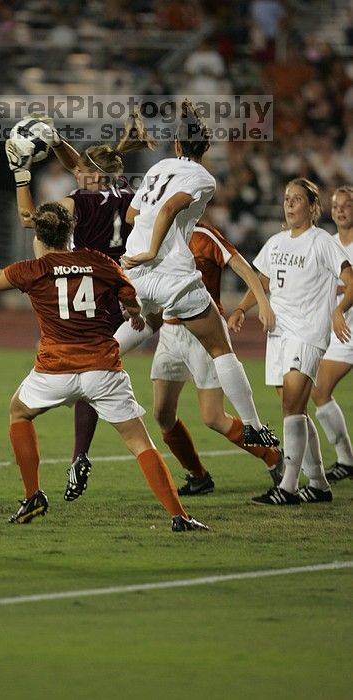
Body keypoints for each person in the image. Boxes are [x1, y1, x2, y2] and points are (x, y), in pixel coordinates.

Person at [0, 198, 208, 533]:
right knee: (140, 443)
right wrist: (132, 314)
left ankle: (33, 496)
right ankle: (179, 516)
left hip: (54, 371)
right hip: (102, 370)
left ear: (39, 238)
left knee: (19, 412)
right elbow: (129, 294)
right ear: (72, 231)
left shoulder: (31, 270)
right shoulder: (99, 261)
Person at [6, 114, 162, 502]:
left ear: (90, 175)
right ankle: (80, 456)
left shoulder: (77, 202)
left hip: (82, 288)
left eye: (80, 170)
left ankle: (76, 459)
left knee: (79, 372)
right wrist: (56, 140)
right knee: (97, 377)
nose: (74, 173)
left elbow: (30, 221)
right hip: (117, 288)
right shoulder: (126, 193)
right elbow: (87, 166)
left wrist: (21, 174)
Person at [121, 99, 279, 451]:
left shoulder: (158, 167)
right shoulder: (204, 178)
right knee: (221, 346)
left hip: (133, 271)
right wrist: (154, 248)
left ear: (176, 145)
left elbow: (133, 215)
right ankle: (252, 425)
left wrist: (144, 248)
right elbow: (171, 206)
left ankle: (91, 363)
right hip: (171, 275)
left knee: (141, 322)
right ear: (205, 148)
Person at [228, 178, 353, 505]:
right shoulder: (277, 242)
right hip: (278, 335)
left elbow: (351, 280)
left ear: (313, 207)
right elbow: (262, 282)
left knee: (290, 408)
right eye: (286, 198)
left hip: (307, 333)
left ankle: (287, 487)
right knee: (296, 409)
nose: (289, 204)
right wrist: (242, 308)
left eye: (297, 199)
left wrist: (339, 310)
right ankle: (320, 484)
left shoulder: (322, 241)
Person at [151, 221, 284, 496]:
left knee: (213, 417)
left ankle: (272, 456)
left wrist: (262, 302)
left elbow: (242, 266)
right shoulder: (155, 233)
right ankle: (198, 475)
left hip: (203, 332)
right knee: (162, 413)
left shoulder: (203, 234)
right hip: (169, 334)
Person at [310, 185, 353, 483]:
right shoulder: (330, 243)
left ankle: (347, 460)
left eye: (347, 205)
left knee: (319, 390)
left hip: (346, 325)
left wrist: (338, 307)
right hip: (343, 333)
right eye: (336, 205)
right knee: (319, 390)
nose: (340, 210)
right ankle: (346, 460)